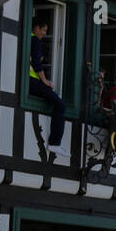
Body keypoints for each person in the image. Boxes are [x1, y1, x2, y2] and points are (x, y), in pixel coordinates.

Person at [28, 18, 68, 158]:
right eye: (43, 30)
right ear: (36, 28)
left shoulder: (28, 38)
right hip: (33, 82)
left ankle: (54, 143)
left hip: (28, 83)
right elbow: (37, 67)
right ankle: (54, 143)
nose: (45, 33)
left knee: (56, 99)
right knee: (60, 105)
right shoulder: (35, 41)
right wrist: (46, 81)